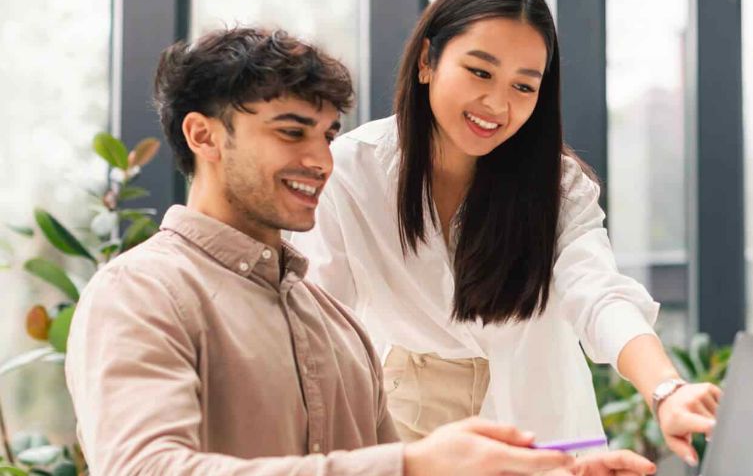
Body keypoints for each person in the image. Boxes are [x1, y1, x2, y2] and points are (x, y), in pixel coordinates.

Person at [64, 27, 655, 476]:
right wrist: (411, 463)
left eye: (327, 135)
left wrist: (559, 470)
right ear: (203, 135)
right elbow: (145, 469)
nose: (321, 160)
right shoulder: (140, 294)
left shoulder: (335, 324)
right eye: (291, 132)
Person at [288, 0, 722, 466]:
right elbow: (321, 325)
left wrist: (665, 390)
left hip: (542, 435)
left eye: (523, 85)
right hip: (412, 435)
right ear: (427, 61)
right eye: (479, 72)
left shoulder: (557, 187)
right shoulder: (351, 171)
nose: (498, 104)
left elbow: (599, 293)